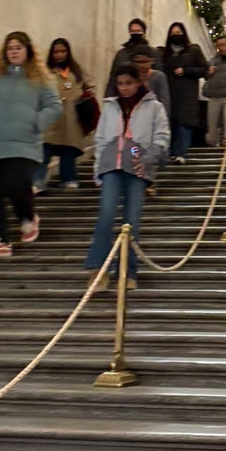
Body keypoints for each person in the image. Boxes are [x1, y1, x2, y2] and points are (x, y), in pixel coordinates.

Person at [0, 31, 62, 258]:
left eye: (18, 47)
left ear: (28, 51)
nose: (14, 52)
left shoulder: (40, 81)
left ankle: (28, 217)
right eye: (10, 48)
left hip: (24, 145)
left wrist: (37, 121)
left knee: (16, 185)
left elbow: (54, 106)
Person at [84, 64, 170, 289]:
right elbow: (101, 139)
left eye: (129, 83)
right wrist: (97, 170)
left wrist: (147, 158)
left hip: (136, 163)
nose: (124, 88)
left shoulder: (154, 107)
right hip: (111, 165)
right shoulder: (111, 106)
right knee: (106, 215)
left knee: (131, 220)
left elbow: (162, 137)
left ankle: (127, 271)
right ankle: (98, 269)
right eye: (120, 83)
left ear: (139, 82)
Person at [34, 38, 94, 193]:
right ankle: (38, 181)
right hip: (51, 118)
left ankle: (69, 179)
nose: (59, 55)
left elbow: (89, 87)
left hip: (71, 118)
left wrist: (84, 97)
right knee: (44, 151)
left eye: (62, 51)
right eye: (56, 52)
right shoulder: (46, 71)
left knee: (68, 150)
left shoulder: (76, 70)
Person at [161, 22, 207, 164]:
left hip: (187, 94)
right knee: (171, 123)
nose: (176, 36)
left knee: (184, 123)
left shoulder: (193, 51)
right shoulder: (165, 54)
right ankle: (172, 153)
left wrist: (186, 71)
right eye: (173, 33)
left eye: (179, 33)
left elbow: (204, 69)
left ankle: (181, 153)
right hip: (170, 93)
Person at [106, 18, 157, 97]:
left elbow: (157, 76)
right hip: (124, 95)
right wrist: (108, 97)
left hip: (146, 95)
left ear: (144, 32)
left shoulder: (153, 53)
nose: (135, 33)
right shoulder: (121, 54)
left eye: (138, 31)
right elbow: (113, 78)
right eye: (133, 31)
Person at [130, 44, 171, 119]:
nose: (142, 65)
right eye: (138, 62)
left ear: (152, 61)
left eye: (145, 61)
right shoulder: (130, 77)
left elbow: (165, 102)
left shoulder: (159, 77)